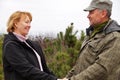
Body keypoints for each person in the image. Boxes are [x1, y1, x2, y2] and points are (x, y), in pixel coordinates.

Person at [60, 0, 120, 80]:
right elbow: (80, 64)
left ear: (103, 13)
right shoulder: (91, 34)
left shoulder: (114, 37)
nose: (88, 16)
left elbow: (101, 68)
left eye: (91, 12)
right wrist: (67, 77)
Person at [2, 11, 58, 80]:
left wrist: (57, 79)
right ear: (16, 24)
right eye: (26, 22)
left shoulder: (34, 45)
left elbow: (45, 69)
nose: (29, 25)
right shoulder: (11, 46)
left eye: (30, 22)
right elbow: (27, 70)